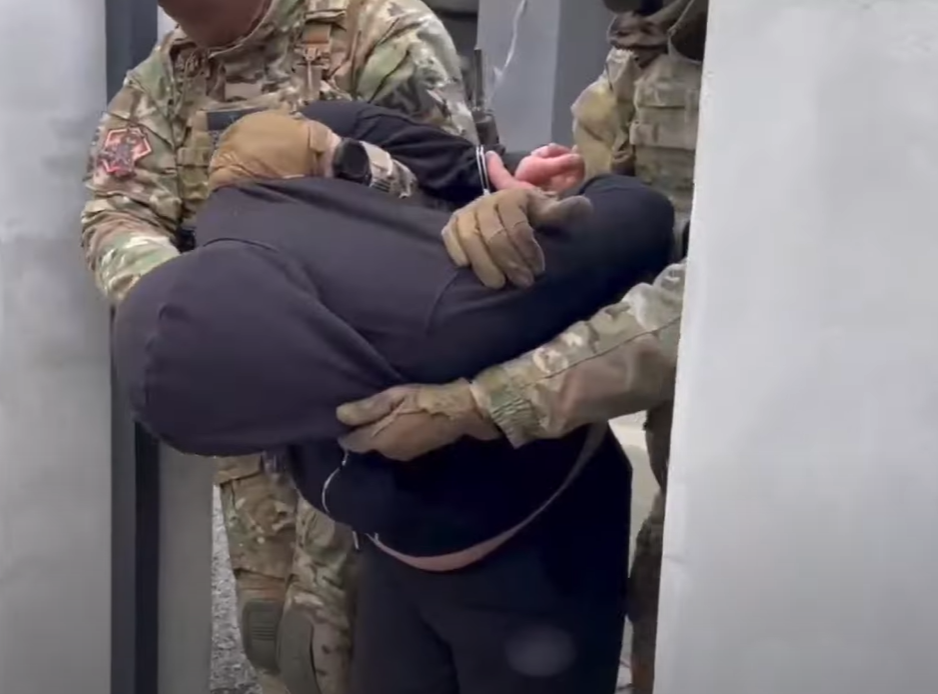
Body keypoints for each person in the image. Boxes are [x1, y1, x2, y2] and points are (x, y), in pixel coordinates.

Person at [111, 103, 678, 693]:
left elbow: (324, 122)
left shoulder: (224, 241)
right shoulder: (440, 293)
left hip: (494, 545)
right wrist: (515, 185)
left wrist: (492, 175)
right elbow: (639, 215)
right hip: (468, 550)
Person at [79, 1, 499, 691]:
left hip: (378, 416)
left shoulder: (380, 34)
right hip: (253, 404)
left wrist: (339, 164)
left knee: (372, 642)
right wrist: (192, 307)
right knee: (280, 639)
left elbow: (455, 203)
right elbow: (117, 209)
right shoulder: (162, 80)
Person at [332, 2, 707, 691]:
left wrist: (485, 403)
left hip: (794, 453)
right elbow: (621, 209)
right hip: (660, 437)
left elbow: (717, 302)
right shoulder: (646, 34)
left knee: (706, 626)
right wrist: (541, 206)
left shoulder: (786, 43)